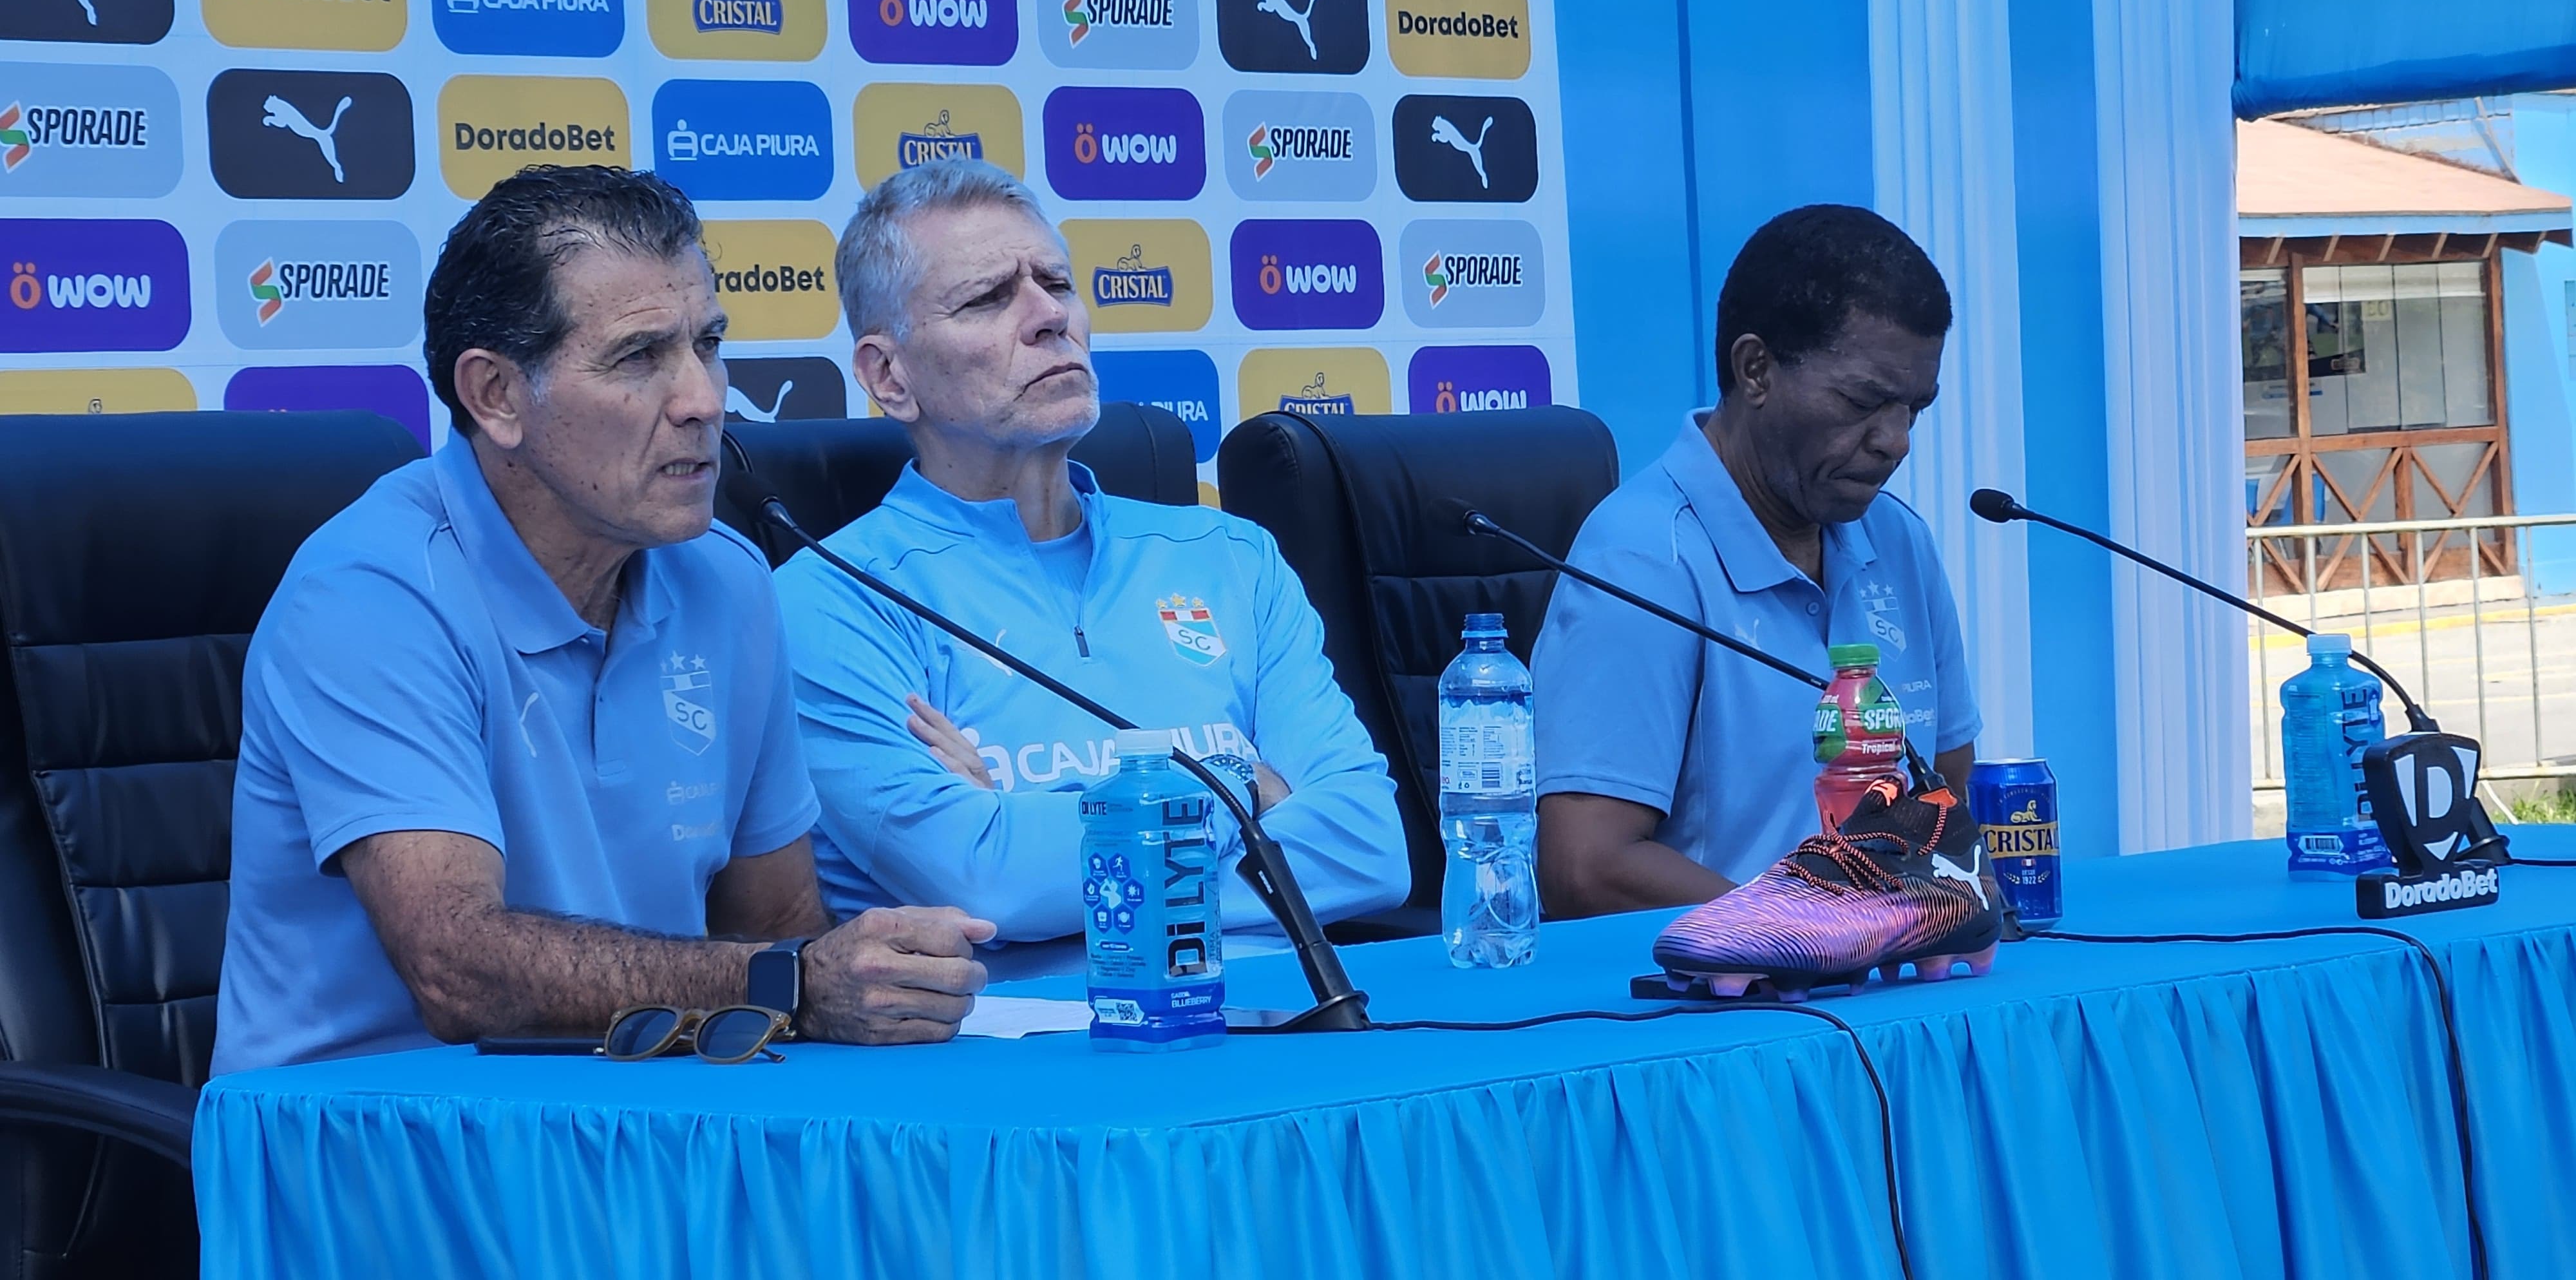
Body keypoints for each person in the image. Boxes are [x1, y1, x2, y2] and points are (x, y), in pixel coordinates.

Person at [213, 166, 991, 1074]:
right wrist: (790, 987)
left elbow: (777, 928)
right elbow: (459, 971)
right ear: (497, 396)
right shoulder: (371, 593)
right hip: (378, 1147)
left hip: (639, 1117)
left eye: (707, 344)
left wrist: (866, 981)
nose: (703, 399)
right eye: (639, 357)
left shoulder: (729, 581)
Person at [775, 159, 1408, 955]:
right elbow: (987, 882)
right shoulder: (831, 600)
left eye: (1057, 283)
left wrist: (1023, 816)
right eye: (988, 298)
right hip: (1029, 1062)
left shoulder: (1229, 555)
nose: (1048, 318)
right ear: (889, 376)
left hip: (1284, 1033)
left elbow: (1371, 847)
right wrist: (1247, 791)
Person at [1533, 204, 1979, 917]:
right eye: (1865, 401)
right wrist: (1822, 929)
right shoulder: (1644, 558)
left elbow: (1947, 786)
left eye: (1913, 408)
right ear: (1757, 369)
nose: (1894, 441)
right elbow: (1587, 867)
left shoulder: (1899, 541)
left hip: (1887, 989)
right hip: (1727, 1009)